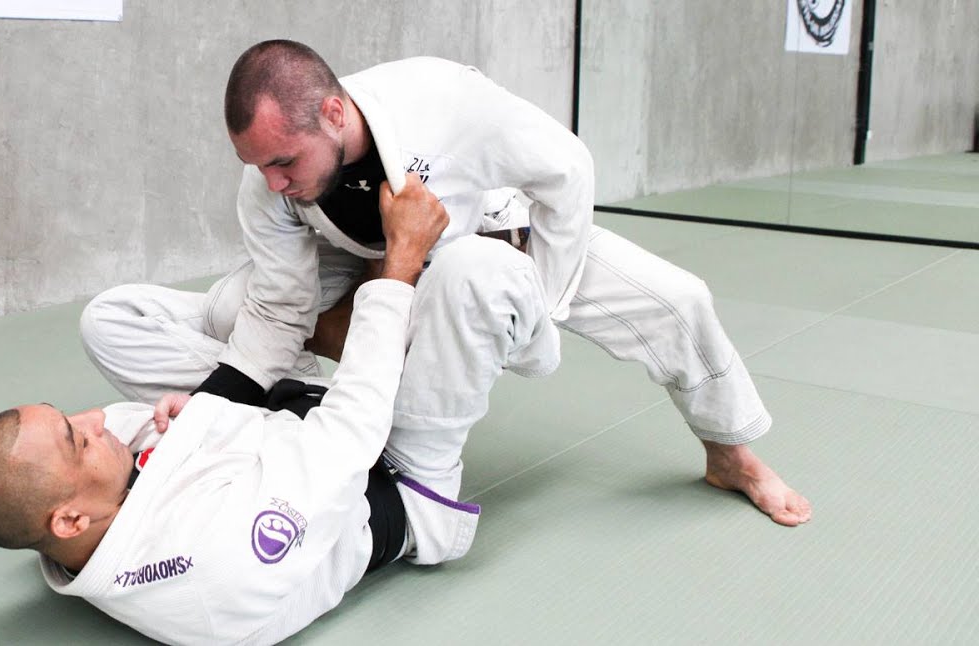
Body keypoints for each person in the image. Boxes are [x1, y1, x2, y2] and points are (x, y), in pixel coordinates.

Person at [79, 39, 812, 545]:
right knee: (231, 310)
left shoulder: (442, 98)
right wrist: (210, 413)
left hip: (493, 239)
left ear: (333, 113)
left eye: (284, 162)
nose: (272, 182)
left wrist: (542, 306)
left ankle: (730, 454)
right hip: (361, 258)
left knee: (681, 300)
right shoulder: (268, 183)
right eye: (258, 165)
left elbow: (567, 170)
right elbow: (278, 307)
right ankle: (313, 412)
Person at [0, 181, 477, 644]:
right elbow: (350, 433)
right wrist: (398, 266)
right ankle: (421, 273)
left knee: (111, 318)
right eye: (78, 440)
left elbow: (170, 432)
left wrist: (203, 417)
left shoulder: (85, 514)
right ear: (69, 521)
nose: (96, 419)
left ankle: (315, 322)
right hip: (392, 473)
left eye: (67, 418)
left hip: (284, 421)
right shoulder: (220, 564)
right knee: (472, 275)